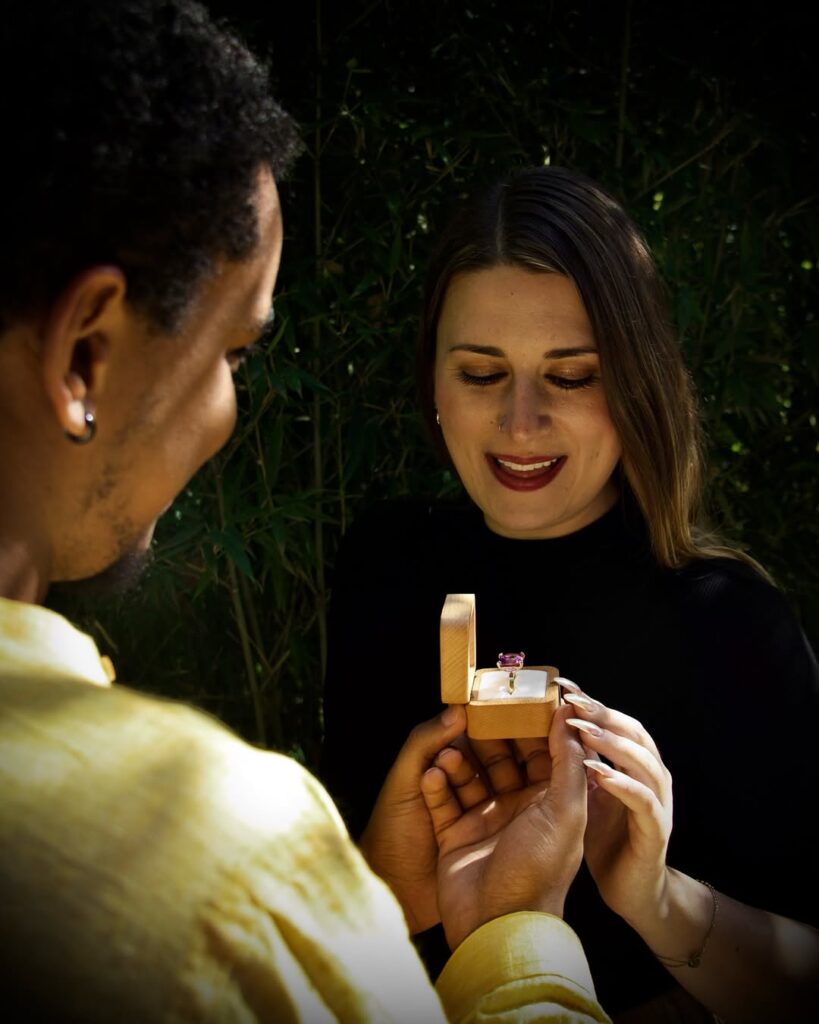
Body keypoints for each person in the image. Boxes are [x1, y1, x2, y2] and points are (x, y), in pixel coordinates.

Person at [0, 2, 616, 1020]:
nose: (520, 420)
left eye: (572, 373)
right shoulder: (216, 855)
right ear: (84, 356)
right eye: (234, 353)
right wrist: (513, 933)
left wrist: (358, 905)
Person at [320, 165, 819, 1022]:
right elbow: (333, 956)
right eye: (481, 374)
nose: (520, 423)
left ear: (636, 383)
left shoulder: (733, 623)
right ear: (432, 384)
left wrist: (655, 898)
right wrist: (394, 877)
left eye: (572, 376)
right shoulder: (383, 563)